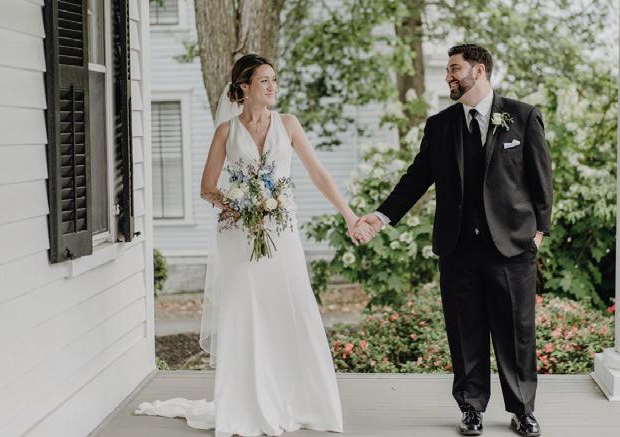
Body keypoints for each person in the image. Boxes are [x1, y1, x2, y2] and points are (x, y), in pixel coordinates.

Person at [134, 54, 374, 436]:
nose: (272, 86)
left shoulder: (288, 124)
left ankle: (300, 401)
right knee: (246, 313)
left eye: (274, 79)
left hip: (283, 235)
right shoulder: (226, 132)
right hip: (239, 237)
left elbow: (318, 173)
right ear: (244, 87)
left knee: (292, 308)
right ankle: (245, 404)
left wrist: (349, 215)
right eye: (264, 80)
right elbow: (207, 187)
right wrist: (241, 206)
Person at [354, 44, 553, 437]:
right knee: (465, 332)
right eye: (447, 70)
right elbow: (416, 179)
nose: (448, 76)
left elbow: (541, 178)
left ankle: (522, 410)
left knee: (516, 333)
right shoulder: (440, 125)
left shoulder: (522, 116)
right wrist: (380, 217)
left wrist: (539, 232)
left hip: (512, 247)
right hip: (458, 248)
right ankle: (471, 407)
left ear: (478, 71)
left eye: (454, 69)